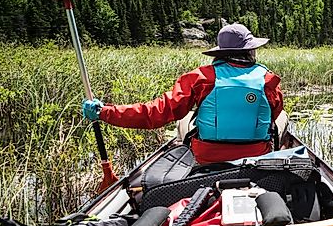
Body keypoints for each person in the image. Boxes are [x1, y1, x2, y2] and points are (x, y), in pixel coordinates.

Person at [82, 23, 283, 165]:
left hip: (206, 159)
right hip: (256, 157)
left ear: (220, 52)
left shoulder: (201, 78)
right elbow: (274, 114)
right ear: (250, 52)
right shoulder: (268, 80)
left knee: (186, 120)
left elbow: (155, 113)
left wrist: (104, 111)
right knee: (280, 121)